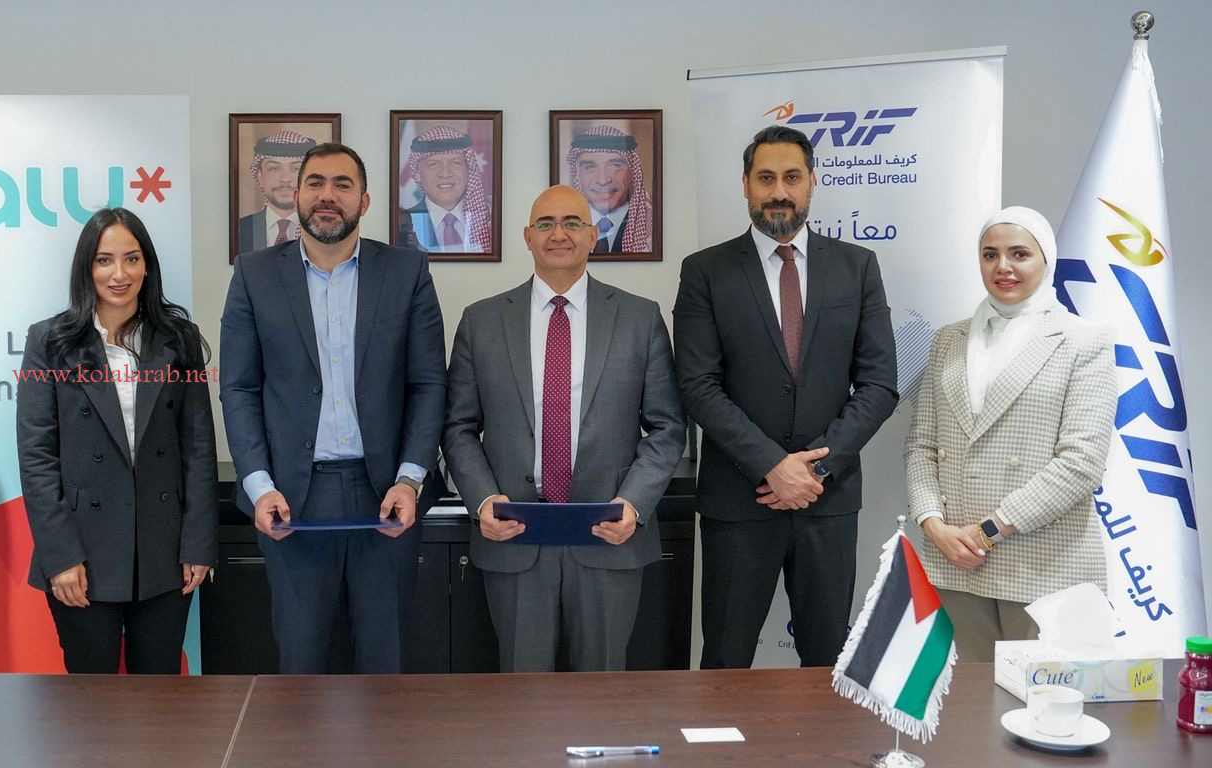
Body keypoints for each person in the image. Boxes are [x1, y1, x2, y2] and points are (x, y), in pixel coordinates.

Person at [673, 125, 898, 669]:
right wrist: (772, 466)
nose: (779, 192)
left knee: (826, 662)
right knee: (726, 661)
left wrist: (813, 470)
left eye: (792, 177)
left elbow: (879, 383)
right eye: (766, 178)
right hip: (738, 500)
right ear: (745, 185)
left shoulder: (857, 267)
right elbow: (697, 385)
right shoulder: (705, 272)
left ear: (813, 183)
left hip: (828, 500)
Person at [220, 142, 446, 674]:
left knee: (385, 661)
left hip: (387, 495)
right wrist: (260, 486)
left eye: (343, 185)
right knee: (300, 665)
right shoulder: (254, 274)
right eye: (316, 183)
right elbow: (239, 388)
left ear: (364, 201)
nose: (328, 195)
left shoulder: (406, 271)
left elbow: (428, 384)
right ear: (296, 196)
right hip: (291, 500)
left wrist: (410, 479)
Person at [443, 185, 684, 672]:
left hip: (609, 534)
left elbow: (667, 427)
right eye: (546, 224)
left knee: (602, 691)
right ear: (527, 237)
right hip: (513, 535)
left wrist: (633, 504)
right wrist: (483, 501)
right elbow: (458, 427)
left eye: (573, 223)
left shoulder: (640, 319)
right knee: (523, 693)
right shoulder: (481, 321)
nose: (559, 234)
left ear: (593, 236)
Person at [905, 206, 1115, 662]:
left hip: (1044, 563)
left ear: (1046, 260)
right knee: (965, 702)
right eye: (990, 254)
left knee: (1046, 699)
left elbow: (1081, 464)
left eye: (1019, 254)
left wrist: (988, 532)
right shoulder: (947, 340)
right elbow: (922, 445)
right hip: (953, 563)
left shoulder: (1083, 340)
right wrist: (933, 525)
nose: (1003, 266)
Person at [15, 207, 217, 674]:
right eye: (104, 260)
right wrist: (60, 557)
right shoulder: (50, 341)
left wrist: (198, 544)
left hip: (164, 552)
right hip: (81, 555)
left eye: (132, 258)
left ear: (147, 265)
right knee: (91, 699)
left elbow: (198, 447)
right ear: (86, 268)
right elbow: (37, 456)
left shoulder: (178, 339)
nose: (119, 274)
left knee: (158, 696)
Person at [395, 126, 493, 254]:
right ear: (418, 173)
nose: (445, 174)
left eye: (455, 163)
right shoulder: (406, 221)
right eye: (434, 164)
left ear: (468, 169)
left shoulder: (489, 218)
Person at [567, 126, 654, 253]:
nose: (603, 180)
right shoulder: (562, 225)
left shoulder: (654, 226)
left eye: (615, 165)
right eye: (590, 167)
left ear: (632, 173)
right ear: (578, 175)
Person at [237, 131, 317, 254]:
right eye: (274, 168)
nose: (285, 179)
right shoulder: (241, 229)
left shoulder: (323, 228)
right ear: (259, 176)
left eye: (296, 169)